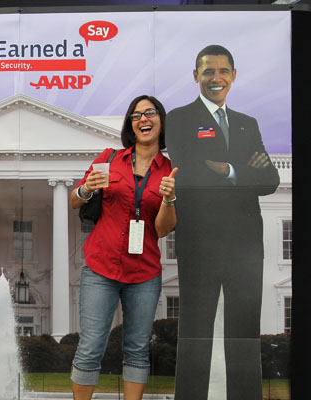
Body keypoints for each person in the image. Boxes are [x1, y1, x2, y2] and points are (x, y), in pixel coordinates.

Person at [165, 45, 280, 400]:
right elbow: (191, 171)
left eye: (223, 71)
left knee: (244, 331)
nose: (217, 78)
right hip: (199, 240)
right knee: (195, 332)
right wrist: (245, 171)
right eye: (208, 71)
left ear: (233, 75)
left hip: (246, 244)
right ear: (196, 75)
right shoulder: (180, 118)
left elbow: (271, 181)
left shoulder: (248, 123)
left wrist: (227, 169)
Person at [70, 95, 177, 400]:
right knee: (91, 346)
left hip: (144, 273)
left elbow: (163, 229)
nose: (143, 119)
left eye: (150, 113)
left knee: (137, 349)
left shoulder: (169, 170)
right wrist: (87, 187)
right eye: (136, 115)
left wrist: (169, 200)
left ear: (161, 120)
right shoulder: (110, 157)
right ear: (130, 124)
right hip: (101, 267)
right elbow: (75, 200)